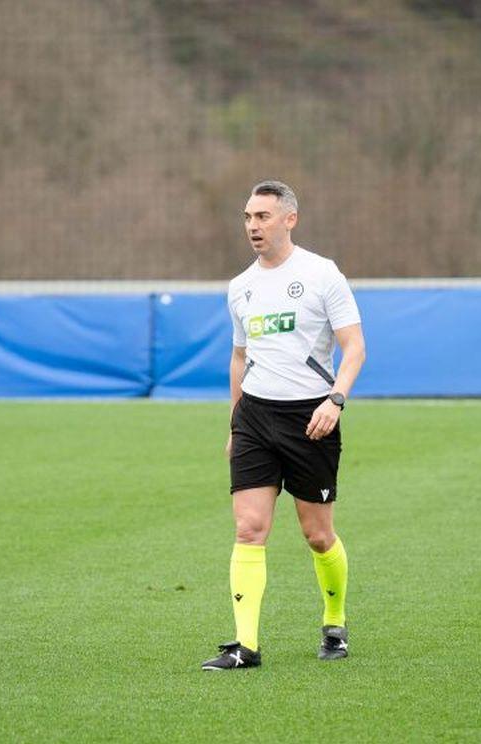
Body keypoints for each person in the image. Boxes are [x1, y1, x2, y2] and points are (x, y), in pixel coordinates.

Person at [201, 180, 367, 671]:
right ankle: (245, 645)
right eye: (247, 217)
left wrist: (335, 401)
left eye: (263, 216)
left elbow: (355, 348)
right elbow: (239, 357)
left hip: (311, 418)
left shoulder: (322, 274)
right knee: (249, 528)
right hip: (255, 417)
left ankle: (334, 621)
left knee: (317, 535)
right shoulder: (240, 287)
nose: (253, 226)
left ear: (289, 219)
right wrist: (235, 424)